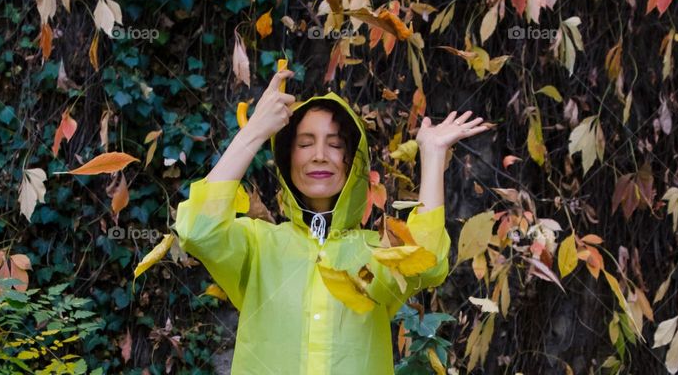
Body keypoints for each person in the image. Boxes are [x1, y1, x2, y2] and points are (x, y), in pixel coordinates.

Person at [174, 68, 493, 374]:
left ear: (354, 162)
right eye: (305, 143)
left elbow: (426, 260)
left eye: (336, 144)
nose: (320, 155)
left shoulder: (376, 251)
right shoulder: (258, 246)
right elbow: (199, 231)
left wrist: (434, 156)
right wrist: (254, 132)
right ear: (287, 158)